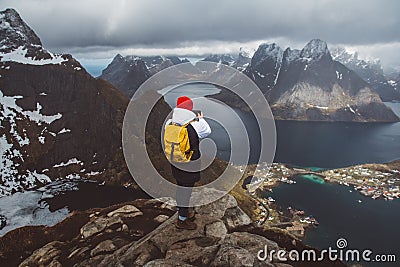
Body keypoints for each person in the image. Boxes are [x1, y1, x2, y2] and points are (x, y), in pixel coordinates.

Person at [165, 96, 211, 230]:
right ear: (190, 109)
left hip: (175, 163)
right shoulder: (195, 126)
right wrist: (201, 118)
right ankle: (182, 220)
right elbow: (207, 131)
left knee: (181, 188)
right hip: (189, 164)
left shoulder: (169, 123)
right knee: (186, 191)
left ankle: (183, 211)